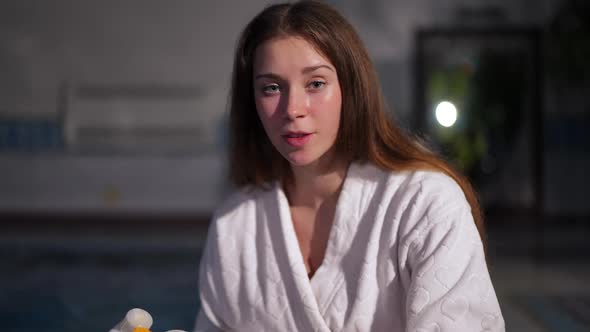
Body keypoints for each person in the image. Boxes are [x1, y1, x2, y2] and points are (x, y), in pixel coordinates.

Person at [194, 1, 505, 331]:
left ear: (351, 88)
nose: (293, 109)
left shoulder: (426, 203)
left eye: (315, 83)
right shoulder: (236, 223)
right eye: (271, 88)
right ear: (251, 101)